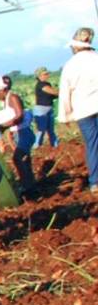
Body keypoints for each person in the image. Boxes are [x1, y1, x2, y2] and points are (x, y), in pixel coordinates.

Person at [59, 27, 98, 194]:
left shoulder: (70, 65)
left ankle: (95, 182)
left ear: (75, 47)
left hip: (84, 110)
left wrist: (66, 116)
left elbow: (65, 93)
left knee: (93, 144)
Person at [0, 74, 36, 194]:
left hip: (24, 133)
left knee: (17, 158)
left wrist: (1, 126)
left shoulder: (12, 98)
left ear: (1, 90)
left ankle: (27, 185)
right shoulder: (7, 99)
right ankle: (30, 184)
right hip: (19, 133)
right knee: (24, 159)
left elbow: (19, 115)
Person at [33, 67, 60, 148]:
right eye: (45, 74)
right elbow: (53, 92)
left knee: (51, 129)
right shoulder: (40, 85)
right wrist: (64, 91)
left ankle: (55, 145)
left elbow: (52, 95)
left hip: (49, 108)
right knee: (41, 130)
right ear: (39, 76)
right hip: (41, 110)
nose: (47, 75)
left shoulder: (47, 84)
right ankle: (37, 146)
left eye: (47, 74)